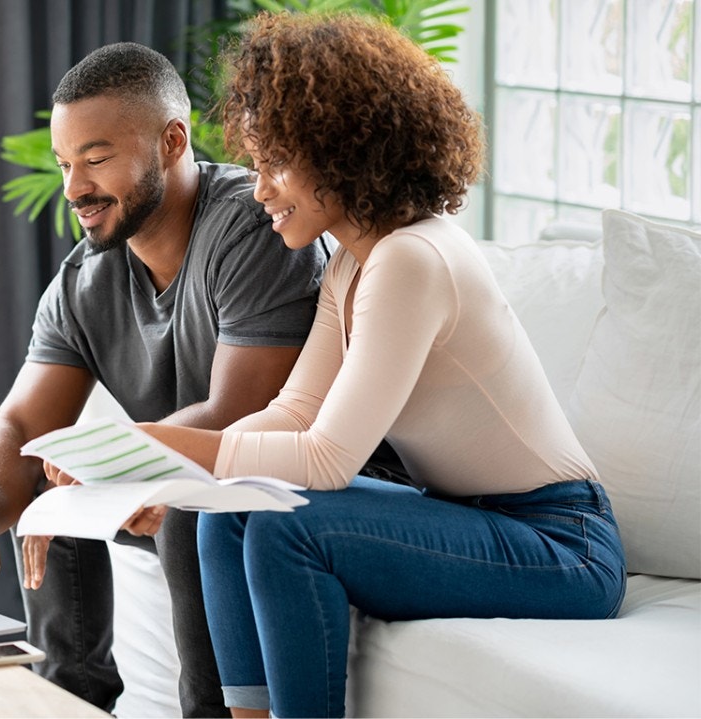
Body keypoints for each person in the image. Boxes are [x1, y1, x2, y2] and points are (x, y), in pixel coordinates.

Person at [127, 12, 628, 718]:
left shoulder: (411, 259)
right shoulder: (354, 266)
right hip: (475, 516)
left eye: (276, 163)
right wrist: (184, 466)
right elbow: (295, 414)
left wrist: (169, 447)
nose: (259, 188)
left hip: (561, 543)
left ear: (340, 150)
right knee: (231, 510)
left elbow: (328, 459)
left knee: (285, 525)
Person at [0, 42, 328, 715]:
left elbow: (243, 414)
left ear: (171, 142)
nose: (73, 189)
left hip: (292, 482)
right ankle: (71, 699)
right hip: (176, 480)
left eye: (95, 159)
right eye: (65, 164)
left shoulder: (250, 227)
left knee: (183, 508)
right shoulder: (85, 281)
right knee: (43, 477)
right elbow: (21, 425)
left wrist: (106, 468)